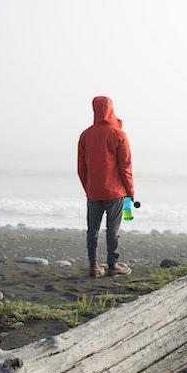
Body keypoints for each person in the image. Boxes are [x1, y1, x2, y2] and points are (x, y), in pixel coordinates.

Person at [77, 96, 134, 277]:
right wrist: (130, 191)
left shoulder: (85, 135)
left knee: (92, 230)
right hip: (115, 192)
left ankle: (94, 266)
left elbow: (81, 168)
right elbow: (125, 166)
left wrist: (89, 188)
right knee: (113, 230)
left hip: (94, 192)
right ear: (111, 109)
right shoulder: (118, 134)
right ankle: (112, 266)